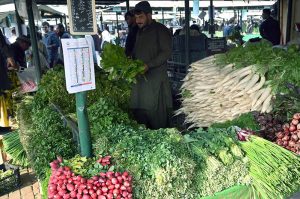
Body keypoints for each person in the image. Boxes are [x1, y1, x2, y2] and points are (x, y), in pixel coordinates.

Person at [130, 1, 173, 129]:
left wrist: (149, 65)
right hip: (140, 81)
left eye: (141, 17)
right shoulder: (140, 32)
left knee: (157, 111)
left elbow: (166, 52)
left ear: (149, 15)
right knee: (140, 109)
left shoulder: (160, 30)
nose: (138, 21)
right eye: (136, 18)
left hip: (155, 80)